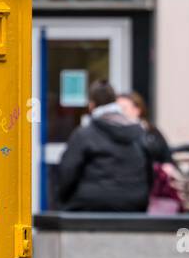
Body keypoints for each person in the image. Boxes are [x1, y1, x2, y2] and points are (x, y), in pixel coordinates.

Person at [56, 80, 153, 212]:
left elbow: (67, 172)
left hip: (92, 204)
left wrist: (62, 199)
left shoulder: (84, 134)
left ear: (91, 105)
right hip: (135, 203)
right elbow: (149, 171)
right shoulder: (139, 133)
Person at [117, 90, 181, 213]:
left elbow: (167, 159)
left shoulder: (151, 132)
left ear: (137, 110)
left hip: (150, 191)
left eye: (123, 108)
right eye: (117, 109)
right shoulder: (113, 133)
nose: (120, 113)